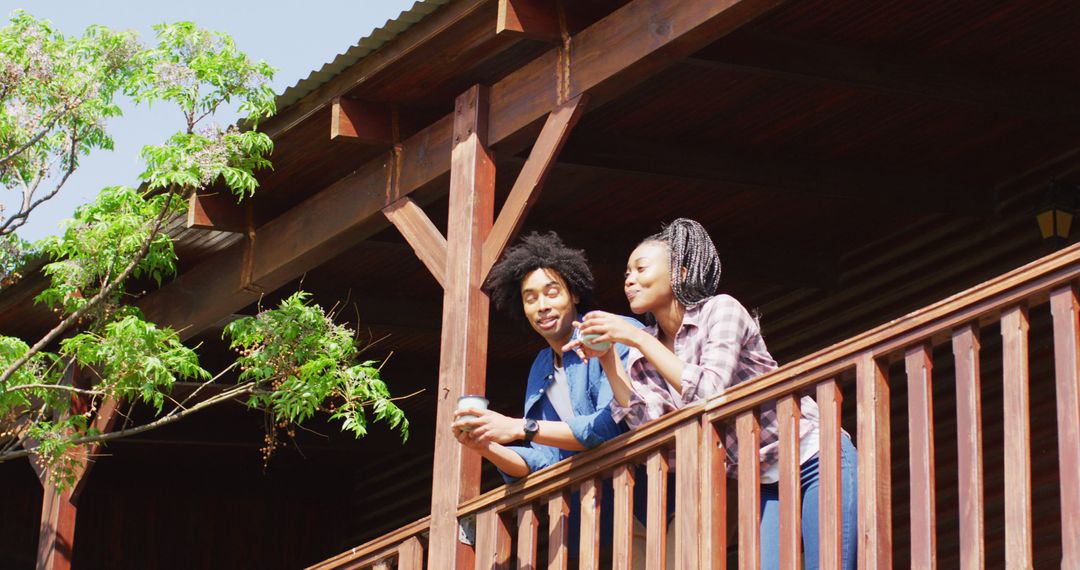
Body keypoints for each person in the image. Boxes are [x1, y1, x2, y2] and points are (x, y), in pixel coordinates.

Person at [564, 218, 859, 570]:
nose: (629, 279)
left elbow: (708, 394)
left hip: (815, 454)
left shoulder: (721, 310)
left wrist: (636, 338)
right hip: (763, 479)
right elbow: (651, 428)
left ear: (682, 273)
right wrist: (610, 358)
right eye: (626, 272)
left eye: (641, 268)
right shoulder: (646, 355)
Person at [451, 231, 640, 482]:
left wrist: (518, 427)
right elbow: (544, 460)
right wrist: (484, 446)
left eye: (552, 293)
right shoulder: (541, 367)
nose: (542, 306)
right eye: (530, 298)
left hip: (641, 496)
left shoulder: (614, 333)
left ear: (574, 294)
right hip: (587, 510)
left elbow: (609, 427)